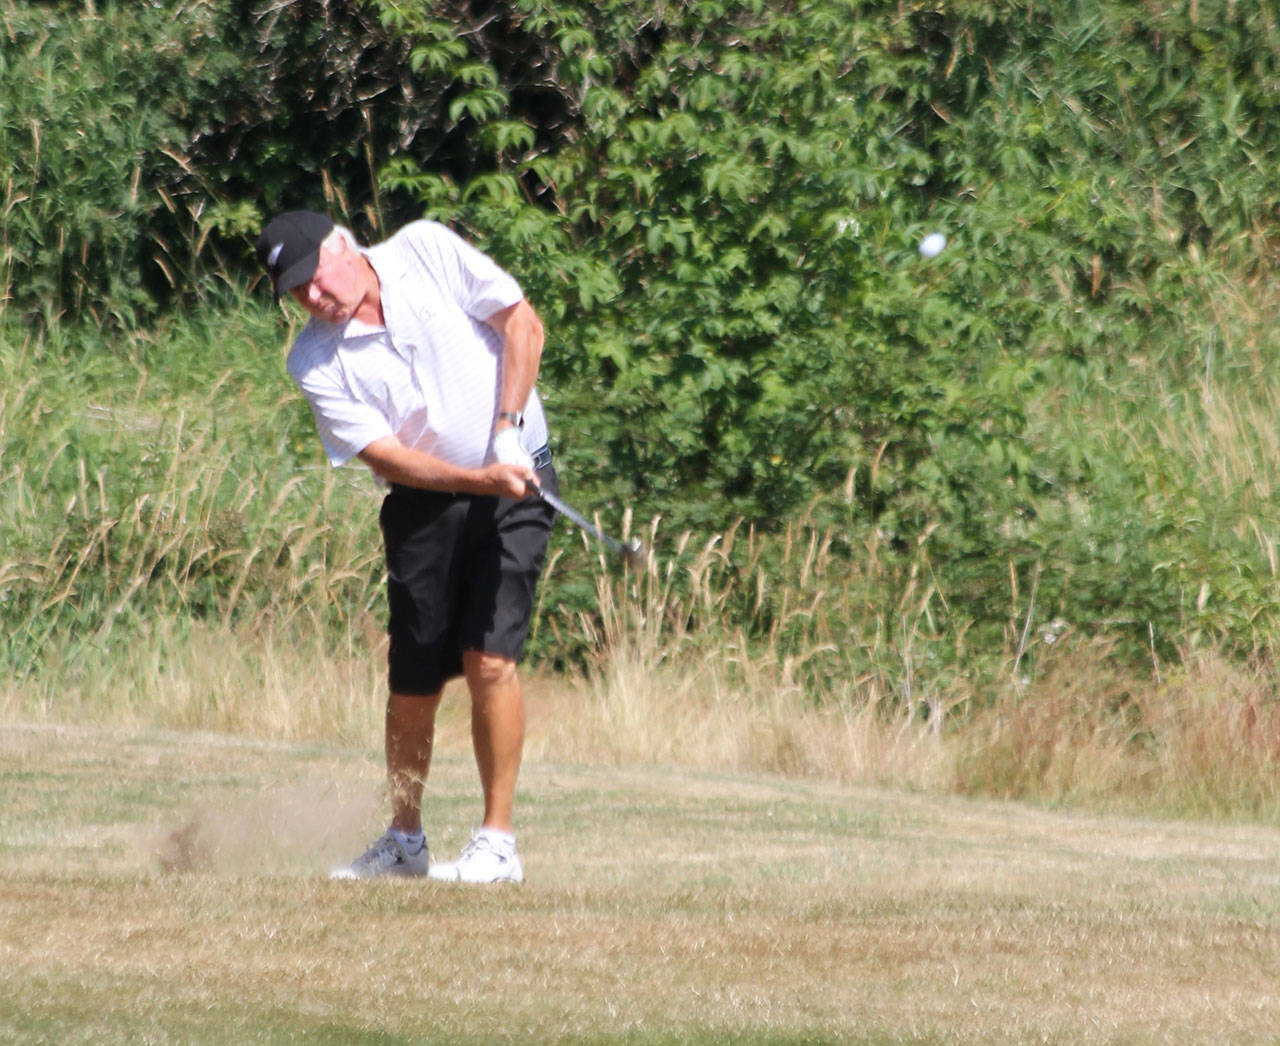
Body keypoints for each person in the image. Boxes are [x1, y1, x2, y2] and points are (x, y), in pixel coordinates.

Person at [255, 209, 557, 883]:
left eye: (315, 278)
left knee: (489, 659)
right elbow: (386, 456)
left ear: (342, 245)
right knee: (413, 681)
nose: (313, 297)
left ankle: (497, 844)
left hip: (520, 476)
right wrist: (477, 478)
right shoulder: (313, 360)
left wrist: (507, 432)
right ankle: (405, 841)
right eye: (297, 291)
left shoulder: (424, 249)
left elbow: (523, 325)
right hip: (425, 503)